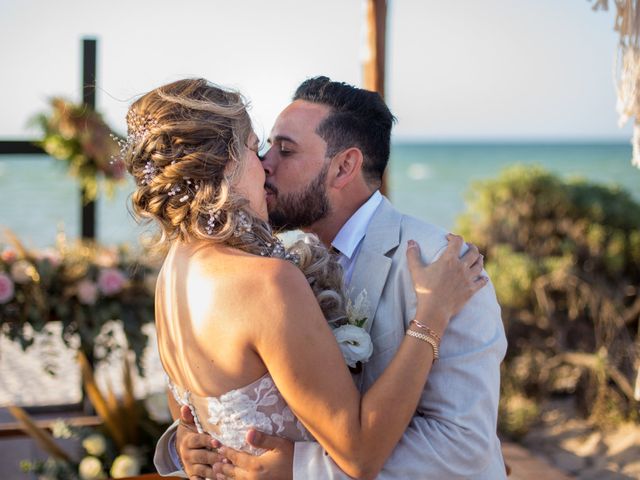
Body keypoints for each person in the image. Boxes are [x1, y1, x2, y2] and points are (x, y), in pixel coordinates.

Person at [124, 78, 489, 480]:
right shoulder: (266, 279)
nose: (265, 163)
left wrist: (296, 466)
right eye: (257, 147)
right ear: (225, 164)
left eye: (285, 150)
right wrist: (189, 440)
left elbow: (465, 443)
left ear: (344, 166)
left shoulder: (442, 265)